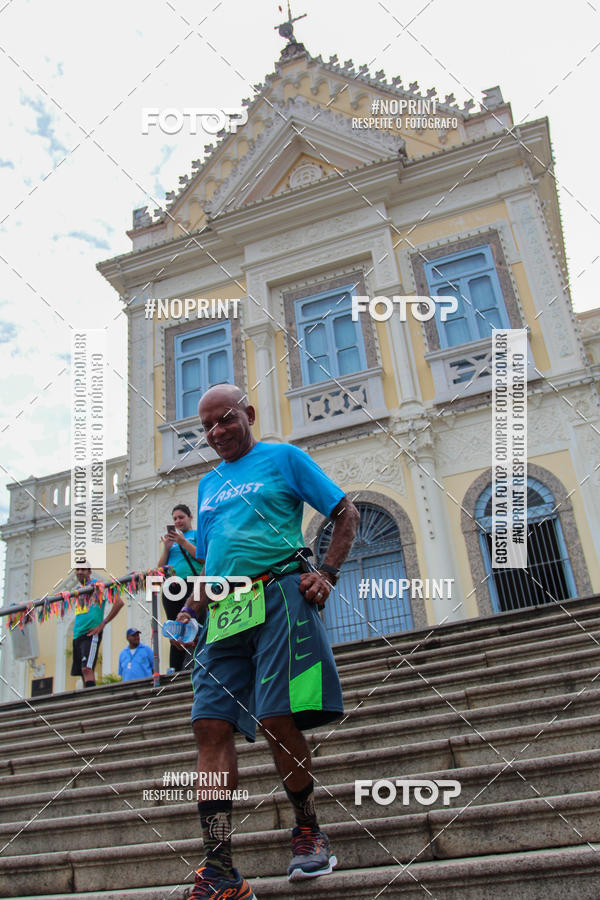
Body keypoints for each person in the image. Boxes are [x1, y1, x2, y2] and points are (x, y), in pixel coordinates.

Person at [177, 384, 359, 899]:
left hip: (280, 593)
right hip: (225, 612)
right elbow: (215, 561)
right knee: (209, 726)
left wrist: (326, 572)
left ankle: (307, 829)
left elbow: (346, 514)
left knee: (277, 717)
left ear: (249, 414)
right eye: (207, 427)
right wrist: (193, 610)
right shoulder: (208, 485)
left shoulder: (283, 457)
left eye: (226, 420)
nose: (217, 433)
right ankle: (220, 870)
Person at [157, 504, 199, 671]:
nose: (178, 521)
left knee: (193, 622)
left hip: (192, 584)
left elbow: (202, 558)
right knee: (175, 627)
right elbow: (159, 571)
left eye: (181, 517)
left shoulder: (196, 535)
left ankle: (196, 663)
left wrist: (183, 541)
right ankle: (175, 668)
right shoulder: (170, 542)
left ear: (190, 517)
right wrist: (166, 548)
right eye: (175, 519)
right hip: (172, 586)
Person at [71, 566, 124, 688]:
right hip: (77, 634)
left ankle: (92, 700)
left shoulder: (99, 586)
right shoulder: (77, 590)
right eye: (77, 569)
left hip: (90, 633)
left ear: (89, 571)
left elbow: (119, 603)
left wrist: (103, 624)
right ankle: (85, 701)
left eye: (83, 569)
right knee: (81, 672)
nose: (79, 572)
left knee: (87, 669)